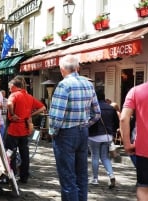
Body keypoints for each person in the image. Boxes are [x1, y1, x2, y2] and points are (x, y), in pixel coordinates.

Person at [48, 55, 101, 201]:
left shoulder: (64, 85)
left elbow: (56, 116)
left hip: (66, 133)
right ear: (77, 68)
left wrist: (53, 132)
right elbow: (97, 113)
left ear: (62, 69)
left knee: (68, 176)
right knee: (81, 175)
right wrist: (85, 124)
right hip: (82, 132)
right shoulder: (88, 84)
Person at [120, 54, 148, 201]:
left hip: (145, 149)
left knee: (144, 187)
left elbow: (124, 117)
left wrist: (126, 144)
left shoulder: (136, 91)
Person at [5, 76, 46, 184]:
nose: (9, 89)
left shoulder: (14, 95)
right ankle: (24, 177)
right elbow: (43, 108)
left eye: (10, 87)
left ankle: (12, 175)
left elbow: (9, 104)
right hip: (24, 129)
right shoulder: (29, 96)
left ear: (14, 86)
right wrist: (30, 115)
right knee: (24, 154)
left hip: (13, 129)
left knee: (10, 153)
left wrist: (13, 114)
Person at [88, 90, 119, 188]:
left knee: (95, 156)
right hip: (107, 136)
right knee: (105, 157)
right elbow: (116, 123)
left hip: (94, 135)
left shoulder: (92, 108)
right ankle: (111, 175)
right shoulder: (111, 108)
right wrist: (112, 133)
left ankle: (95, 179)